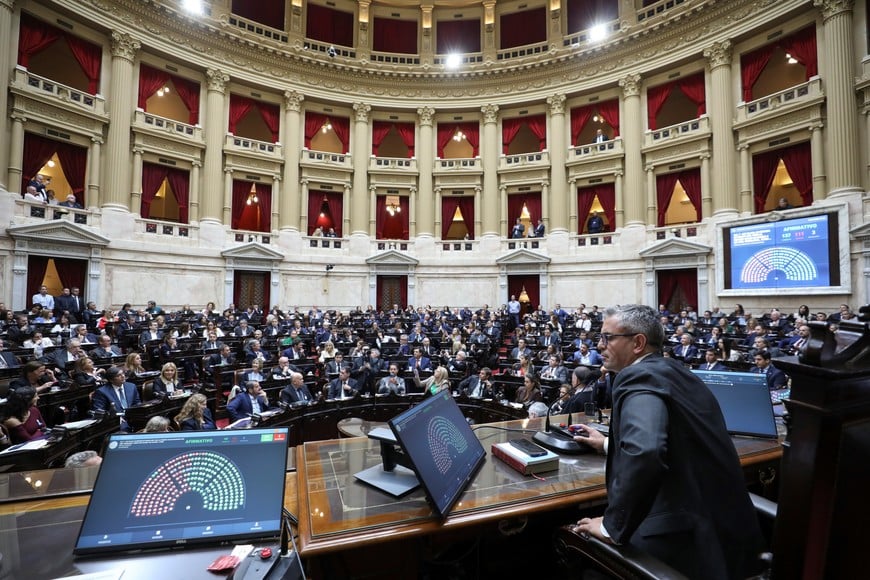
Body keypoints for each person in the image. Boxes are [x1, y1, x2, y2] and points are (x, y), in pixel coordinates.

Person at [572, 304, 764, 579]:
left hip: (685, 542)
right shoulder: (674, 371)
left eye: (608, 337)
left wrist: (611, 527)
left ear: (638, 343)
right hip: (726, 533)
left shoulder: (637, 377)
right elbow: (676, 442)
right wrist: (606, 444)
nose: (600, 345)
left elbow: (646, 451)